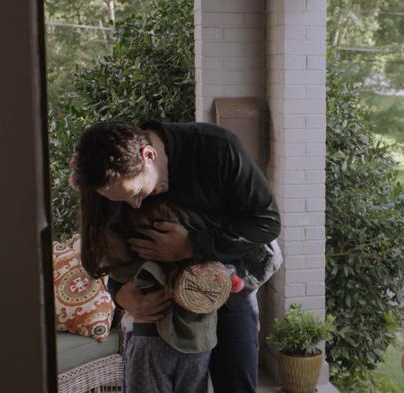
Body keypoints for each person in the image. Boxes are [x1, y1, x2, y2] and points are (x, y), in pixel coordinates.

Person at [71, 120, 282, 393]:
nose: (134, 205)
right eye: (120, 200)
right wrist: (118, 292)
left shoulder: (216, 147)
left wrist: (192, 245)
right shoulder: (104, 174)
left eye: (135, 193)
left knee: (237, 384)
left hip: (229, 282)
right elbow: (103, 249)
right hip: (165, 303)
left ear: (149, 156)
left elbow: (267, 222)